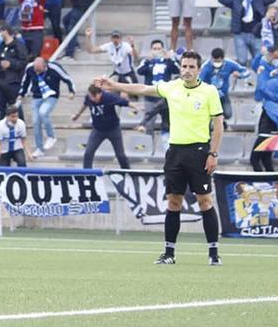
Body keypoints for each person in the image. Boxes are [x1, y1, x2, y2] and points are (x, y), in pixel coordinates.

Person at [95, 50, 224, 266]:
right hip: (175, 152)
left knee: (204, 201)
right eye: (184, 66)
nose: (187, 70)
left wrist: (213, 153)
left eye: (192, 67)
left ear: (199, 69)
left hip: (199, 152)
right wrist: (115, 86)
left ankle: (213, 253)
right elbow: (143, 88)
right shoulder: (171, 87)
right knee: (173, 202)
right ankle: (169, 253)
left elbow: (219, 124)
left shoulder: (209, 92)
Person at [18, 57, 75, 157]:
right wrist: (21, 94)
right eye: (36, 69)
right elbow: (25, 82)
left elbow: (67, 78)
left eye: (39, 70)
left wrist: (71, 91)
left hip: (51, 95)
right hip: (37, 96)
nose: (37, 72)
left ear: (45, 66)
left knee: (43, 112)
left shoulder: (54, 68)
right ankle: (39, 148)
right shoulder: (30, 68)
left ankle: (51, 136)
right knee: (36, 122)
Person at [71, 85, 133, 170]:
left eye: (94, 97)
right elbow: (85, 105)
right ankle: (87, 173)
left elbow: (125, 102)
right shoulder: (89, 98)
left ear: (100, 93)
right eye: (91, 97)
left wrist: (136, 107)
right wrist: (77, 115)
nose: (93, 99)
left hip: (113, 129)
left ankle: (127, 171)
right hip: (98, 130)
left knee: (120, 155)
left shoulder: (109, 97)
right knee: (88, 153)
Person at [218, 0, 276, 67]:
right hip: (240, 34)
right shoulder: (235, 0)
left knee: (259, 60)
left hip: (256, 34)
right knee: (242, 60)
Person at [137, 40, 181, 133]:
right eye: (154, 49)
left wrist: (169, 58)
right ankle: (149, 145)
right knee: (148, 125)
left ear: (163, 49)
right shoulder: (147, 61)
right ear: (151, 50)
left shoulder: (168, 61)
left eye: (159, 49)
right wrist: (148, 60)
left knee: (168, 124)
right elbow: (139, 71)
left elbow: (177, 70)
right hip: (150, 98)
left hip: (164, 98)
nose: (157, 51)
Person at [199, 48, 249, 123]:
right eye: (215, 61)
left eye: (218, 61)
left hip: (223, 94)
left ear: (223, 59)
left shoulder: (229, 64)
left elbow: (246, 72)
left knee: (228, 114)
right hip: (210, 96)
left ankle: (220, 120)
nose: (216, 63)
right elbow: (199, 80)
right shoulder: (206, 66)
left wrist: (239, 75)